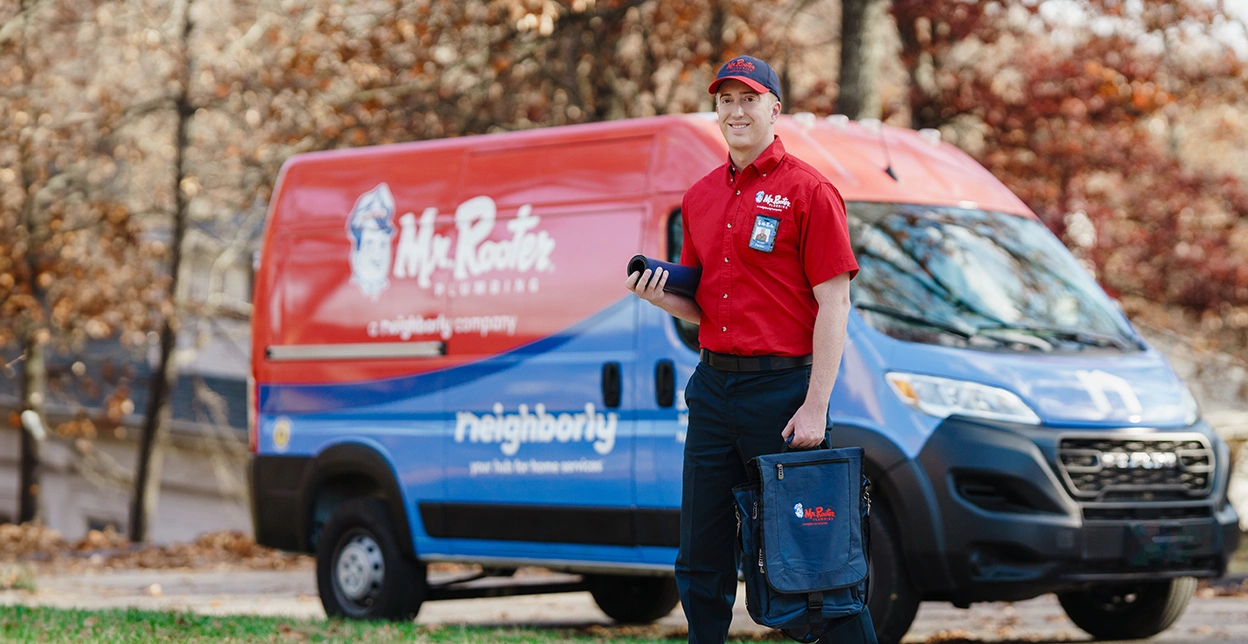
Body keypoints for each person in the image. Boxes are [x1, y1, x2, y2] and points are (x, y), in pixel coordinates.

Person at [625, 55, 868, 644]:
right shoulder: (700, 197)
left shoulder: (810, 191)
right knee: (701, 557)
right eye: (726, 99)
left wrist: (815, 405)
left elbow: (835, 304)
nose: (737, 110)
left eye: (750, 98)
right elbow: (703, 300)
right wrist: (659, 296)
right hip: (713, 391)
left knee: (812, 557)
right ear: (717, 109)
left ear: (774, 108)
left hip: (784, 393)